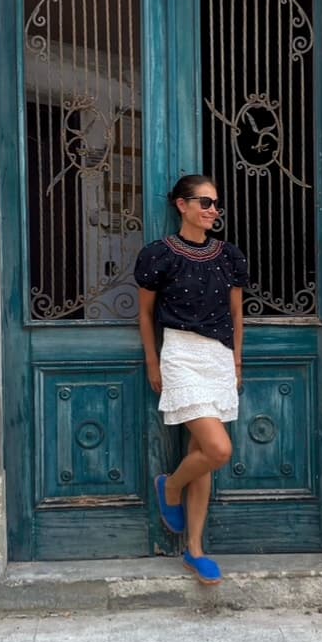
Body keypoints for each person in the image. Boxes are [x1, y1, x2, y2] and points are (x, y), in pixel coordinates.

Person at [134, 174, 249, 585]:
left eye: (216, 204)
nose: (212, 210)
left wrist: (235, 362)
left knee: (204, 454)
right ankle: (170, 486)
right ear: (181, 205)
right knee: (218, 449)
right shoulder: (158, 255)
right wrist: (153, 362)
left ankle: (195, 550)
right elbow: (145, 314)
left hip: (217, 356)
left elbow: (237, 315)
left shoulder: (229, 255)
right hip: (180, 354)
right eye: (204, 202)